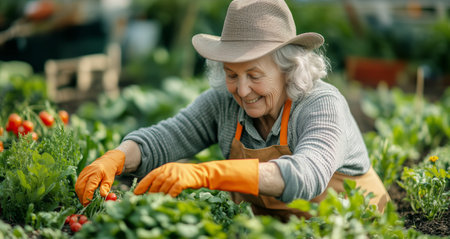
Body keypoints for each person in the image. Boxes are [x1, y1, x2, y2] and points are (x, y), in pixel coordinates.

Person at [75, 0, 390, 221]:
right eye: (231, 74)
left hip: (349, 228)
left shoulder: (322, 104)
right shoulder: (224, 104)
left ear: (288, 69)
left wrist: (207, 173)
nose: (241, 90)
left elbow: (306, 175)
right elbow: (167, 138)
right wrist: (116, 157)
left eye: (254, 76)